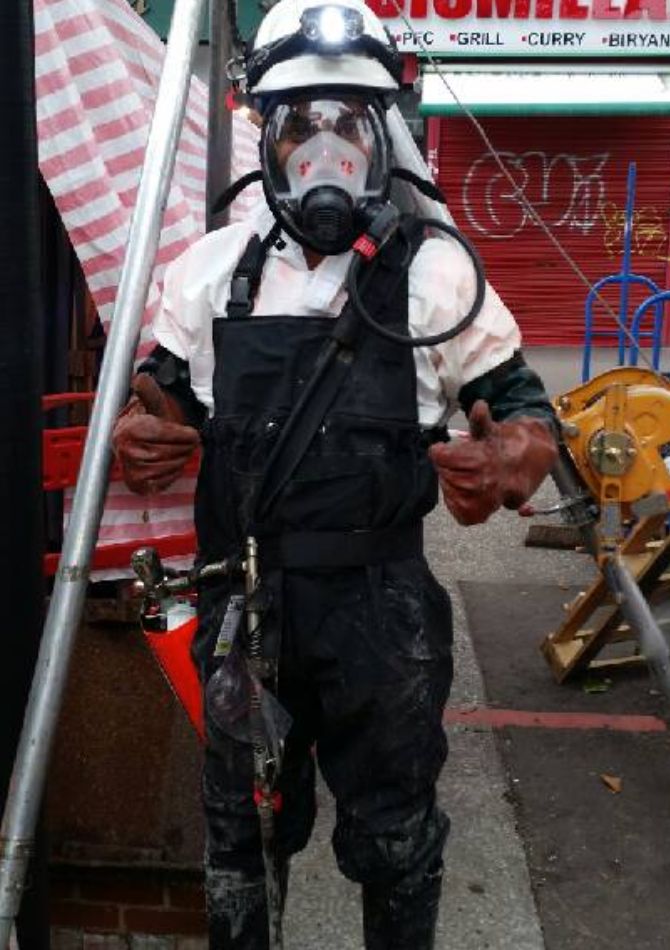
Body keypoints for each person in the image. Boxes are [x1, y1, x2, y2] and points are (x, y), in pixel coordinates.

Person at [112, 0, 558, 946]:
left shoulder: (437, 277)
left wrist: (511, 458)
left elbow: (524, 409)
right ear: (266, 138)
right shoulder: (207, 272)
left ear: (382, 137)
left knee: (396, 836)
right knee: (241, 837)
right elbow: (163, 404)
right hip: (244, 602)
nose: (325, 151)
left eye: (347, 123)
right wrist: (140, 435)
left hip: (381, 612)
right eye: (301, 123)